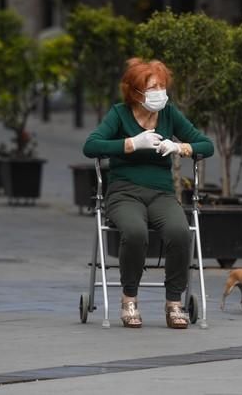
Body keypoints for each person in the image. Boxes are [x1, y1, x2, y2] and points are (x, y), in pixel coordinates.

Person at [82, 57, 214, 329]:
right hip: (124, 192)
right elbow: (91, 146)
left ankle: (174, 302)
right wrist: (131, 143)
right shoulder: (119, 113)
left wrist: (180, 148)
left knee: (179, 232)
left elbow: (206, 145)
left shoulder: (169, 114)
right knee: (135, 232)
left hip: (161, 193)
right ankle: (129, 298)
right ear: (136, 92)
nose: (159, 94)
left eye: (162, 87)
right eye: (152, 88)